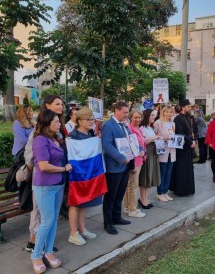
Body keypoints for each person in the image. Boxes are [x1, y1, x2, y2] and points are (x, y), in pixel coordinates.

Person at [31, 110, 71, 273]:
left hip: (57, 185)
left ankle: (48, 252)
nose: (59, 124)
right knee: (47, 221)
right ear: (47, 123)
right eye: (55, 121)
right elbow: (43, 165)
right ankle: (36, 255)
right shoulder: (40, 140)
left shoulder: (55, 139)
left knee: (53, 220)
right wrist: (63, 168)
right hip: (44, 186)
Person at [24, 95, 65, 253]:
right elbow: (29, 153)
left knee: (49, 216)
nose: (61, 107)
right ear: (47, 106)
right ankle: (34, 242)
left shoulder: (56, 128)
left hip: (55, 179)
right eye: (57, 104)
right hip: (43, 178)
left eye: (62, 104)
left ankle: (45, 245)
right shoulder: (40, 131)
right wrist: (37, 170)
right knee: (39, 211)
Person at [67, 107, 105, 245]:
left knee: (84, 203)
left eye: (92, 119)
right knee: (76, 204)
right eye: (88, 120)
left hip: (88, 175)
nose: (91, 122)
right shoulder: (73, 136)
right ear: (79, 121)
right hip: (77, 177)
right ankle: (73, 233)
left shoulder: (90, 134)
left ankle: (82, 228)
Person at [101, 101, 136, 235]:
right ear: (116, 110)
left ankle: (117, 217)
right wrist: (121, 158)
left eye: (127, 112)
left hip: (125, 165)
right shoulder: (108, 125)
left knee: (120, 194)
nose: (127, 115)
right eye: (125, 112)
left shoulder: (124, 125)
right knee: (111, 196)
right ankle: (108, 222)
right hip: (114, 166)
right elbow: (107, 145)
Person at [170, 99, 196, 195]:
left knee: (188, 169)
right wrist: (190, 142)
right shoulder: (178, 119)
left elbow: (190, 131)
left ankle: (188, 189)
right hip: (182, 148)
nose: (190, 108)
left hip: (188, 147)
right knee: (182, 169)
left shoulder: (187, 117)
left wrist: (193, 140)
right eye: (188, 107)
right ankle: (180, 190)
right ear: (182, 107)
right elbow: (180, 133)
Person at [124, 110, 146, 217]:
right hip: (134, 160)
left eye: (139, 118)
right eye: (135, 117)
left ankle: (127, 206)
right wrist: (131, 163)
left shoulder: (139, 129)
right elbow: (128, 146)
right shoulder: (129, 129)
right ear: (131, 117)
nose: (137, 120)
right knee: (133, 185)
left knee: (130, 185)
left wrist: (144, 152)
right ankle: (132, 209)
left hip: (140, 159)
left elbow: (142, 144)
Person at [139, 109, 161, 205]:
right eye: (152, 115)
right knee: (145, 177)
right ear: (147, 116)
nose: (154, 117)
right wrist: (154, 138)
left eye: (154, 115)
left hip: (153, 153)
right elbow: (143, 142)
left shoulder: (150, 127)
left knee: (150, 177)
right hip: (147, 153)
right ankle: (142, 199)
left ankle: (146, 198)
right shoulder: (142, 128)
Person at [154, 106, 176, 202]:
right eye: (166, 112)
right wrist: (163, 138)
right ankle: (160, 193)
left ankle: (165, 191)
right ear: (163, 112)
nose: (169, 114)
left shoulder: (172, 123)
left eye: (170, 112)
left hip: (172, 150)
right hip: (163, 150)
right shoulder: (158, 123)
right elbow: (154, 136)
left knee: (168, 172)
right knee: (162, 172)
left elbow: (174, 135)